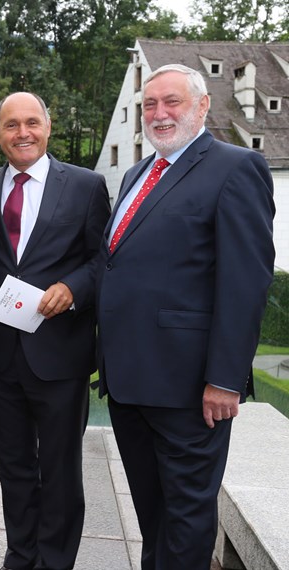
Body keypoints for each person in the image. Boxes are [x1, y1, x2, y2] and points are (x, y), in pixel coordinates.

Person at [97, 64, 275, 569]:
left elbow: (246, 283)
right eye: (150, 104)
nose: (158, 113)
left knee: (188, 520)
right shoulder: (137, 173)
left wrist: (225, 379)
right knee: (153, 517)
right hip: (130, 383)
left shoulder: (236, 167)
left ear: (202, 106)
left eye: (171, 102)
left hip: (189, 387)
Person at [0, 92, 110, 570]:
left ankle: (54, 562)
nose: (23, 133)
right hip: (0, 355)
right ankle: (20, 556)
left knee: (59, 471)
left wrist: (73, 288)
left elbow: (104, 259)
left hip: (60, 353)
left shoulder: (85, 185)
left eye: (32, 122)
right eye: (12, 125)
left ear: (48, 126)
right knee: (15, 469)